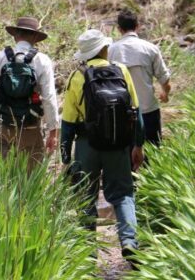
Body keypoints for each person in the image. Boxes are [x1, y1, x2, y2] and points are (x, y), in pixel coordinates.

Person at [60, 29, 145, 263]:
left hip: (87, 146)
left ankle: (88, 255)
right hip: (118, 145)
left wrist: (65, 158)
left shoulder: (77, 77)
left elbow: (67, 123)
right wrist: (138, 145)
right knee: (123, 194)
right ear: (104, 49)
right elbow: (135, 113)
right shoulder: (122, 71)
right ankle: (129, 241)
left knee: (86, 198)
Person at [0, 17, 59, 169]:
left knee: (3, 180)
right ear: (35, 38)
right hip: (31, 129)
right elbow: (49, 98)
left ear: (15, 36)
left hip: (3, 126)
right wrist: (53, 131)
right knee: (30, 182)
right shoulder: (42, 60)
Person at [108, 10, 171, 147]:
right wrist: (165, 94)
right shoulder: (151, 48)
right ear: (137, 26)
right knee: (153, 156)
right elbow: (164, 79)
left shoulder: (111, 51)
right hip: (148, 110)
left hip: (121, 113)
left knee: (126, 158)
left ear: (119, 29)